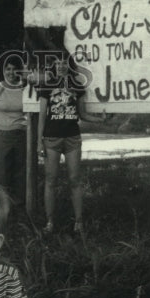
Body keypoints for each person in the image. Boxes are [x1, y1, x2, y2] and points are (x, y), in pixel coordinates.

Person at [37, 53, 108, 236]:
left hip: (72, 138)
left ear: (69, 66)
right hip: (51, 139)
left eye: (64, 63)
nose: (60, 66)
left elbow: (82, 114)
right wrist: (39, 142)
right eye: (57, 63)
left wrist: (100, 120)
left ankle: (78, 222)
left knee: (75, 180)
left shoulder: (77, 85)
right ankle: (50, 222)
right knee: (50, 181)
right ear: (53, 66)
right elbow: (42, 116)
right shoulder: (47, 85)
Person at [0, 58, 29, 209]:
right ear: (3, 71)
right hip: (0, 134)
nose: (11, 72)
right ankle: (1, 207)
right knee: (1, 172)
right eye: (7, 69)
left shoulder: (25, 89)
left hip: (20, 133)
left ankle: (18, 206)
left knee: (20, 171)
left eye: (14, 69)